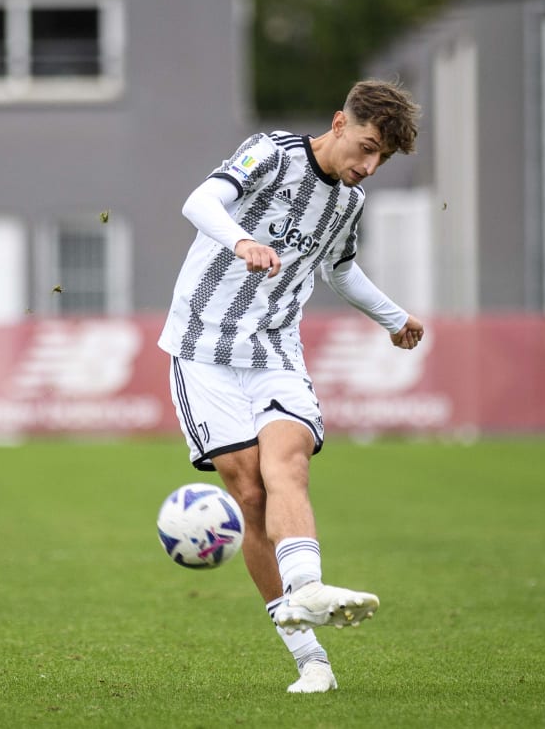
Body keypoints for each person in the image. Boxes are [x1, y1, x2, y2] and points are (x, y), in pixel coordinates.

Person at [157, 79, 424, 694]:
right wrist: (243, 240)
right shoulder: (271, 154)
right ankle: (312, 660)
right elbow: (200, 201)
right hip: (203, 350)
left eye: (380, 157)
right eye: (365, 146)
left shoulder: (349, 205)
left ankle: (307, 589)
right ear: (338, 122)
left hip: (276, 350)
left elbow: (340, 270)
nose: (368, 165)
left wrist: (393, 318)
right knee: (249, 494)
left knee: (288, 464)